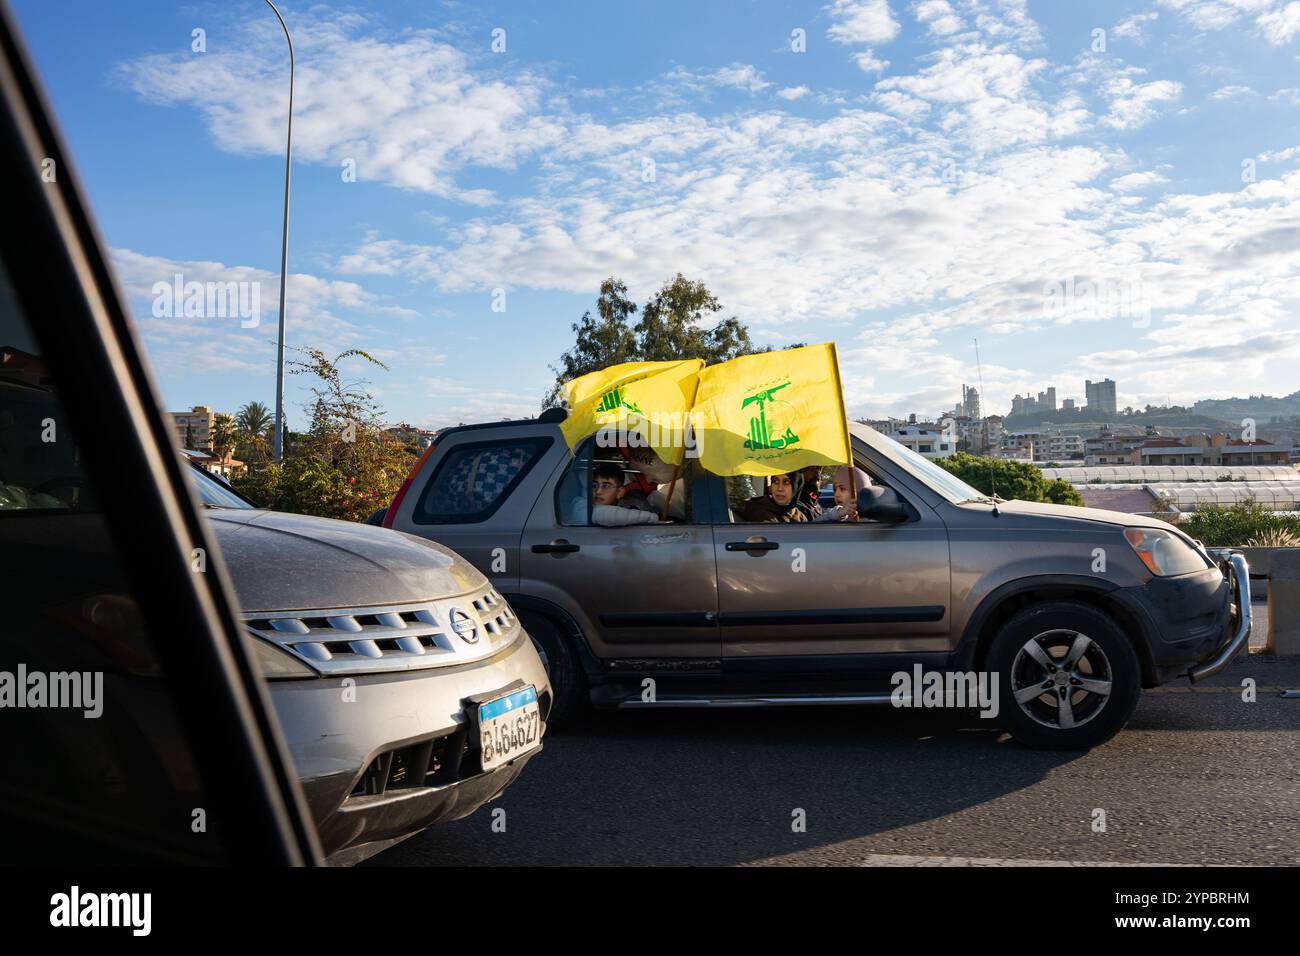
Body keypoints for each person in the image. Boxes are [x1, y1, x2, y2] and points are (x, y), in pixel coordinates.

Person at [569, 461, 659, 527]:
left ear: (619, 492)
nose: (598, 491)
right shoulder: (579, 503)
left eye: (606, 486)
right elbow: (604, 515)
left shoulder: (636, 505)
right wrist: (651, 517)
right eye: (594, 485)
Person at [738, 471, 811, 522]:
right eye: (776, 481)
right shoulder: (761, 512)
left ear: (797, 487)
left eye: (786, 482)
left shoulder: (798, 515)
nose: (779, 488)